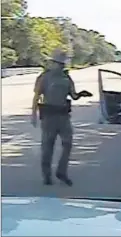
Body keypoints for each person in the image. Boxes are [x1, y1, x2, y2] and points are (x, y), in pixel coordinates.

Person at [31, 49, 92, 186]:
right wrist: (33, 114)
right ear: (52, 63)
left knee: (68, 143)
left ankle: (61, 171)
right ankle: (46, 175)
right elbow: (37, 96)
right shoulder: (45, 77)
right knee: (48, 146)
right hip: (49, 116)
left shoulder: (66, 78)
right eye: (58, 63)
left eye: (62, 64)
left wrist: (81, 94)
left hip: (63, 115)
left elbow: (73, 95)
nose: (61, 66)